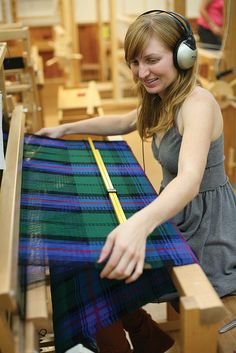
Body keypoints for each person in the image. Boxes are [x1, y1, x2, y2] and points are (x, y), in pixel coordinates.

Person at [36, 9, 236, 353]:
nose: (141, 72)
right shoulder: (162, 99)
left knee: (100, 268)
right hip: (177, 214)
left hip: (206, 231)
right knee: (90, 262)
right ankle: (145, 336)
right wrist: (66, 128)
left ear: (183, 55)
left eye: (151, 60)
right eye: (135, 62)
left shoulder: (197, 104)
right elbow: (125, 122)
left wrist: (138, 225)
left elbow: (189, 179)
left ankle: (133, 338)